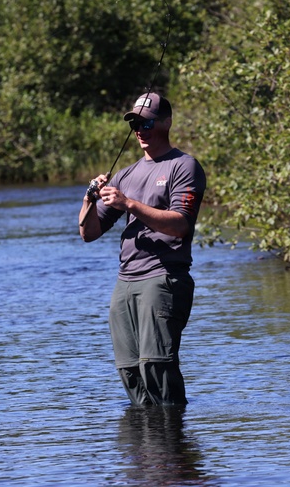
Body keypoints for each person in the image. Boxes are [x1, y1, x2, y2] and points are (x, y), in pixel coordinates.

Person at [78, 92, 206, 407]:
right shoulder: (126, 174)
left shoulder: (184, 166)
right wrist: (88, 200)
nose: (140, 129)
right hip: (126, 283)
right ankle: (148, 449)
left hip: (163, 278)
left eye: (147, 122)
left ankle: (175, 446)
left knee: (157, 365)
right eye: (135, 123)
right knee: (130, 370)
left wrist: (129, 203)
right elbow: (89, 233)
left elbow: (180, 225)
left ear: (166, 122)